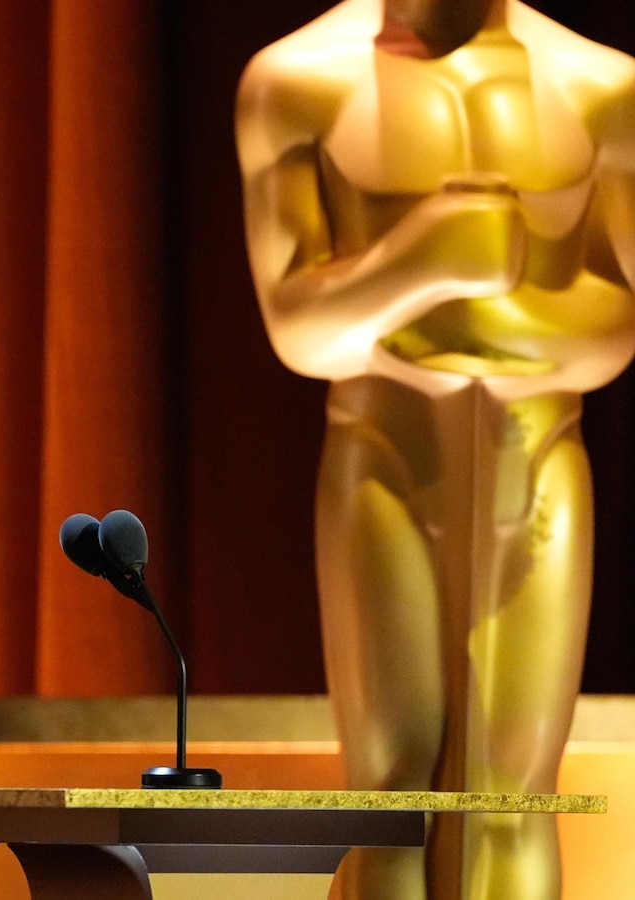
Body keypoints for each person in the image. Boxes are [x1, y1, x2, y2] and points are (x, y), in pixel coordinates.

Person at [236, 2, 635, 898]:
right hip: (385, 454)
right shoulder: (299, 81)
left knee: (514, 792)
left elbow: (616, 325)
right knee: (392, 790)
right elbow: (299, 329)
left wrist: (465, 312)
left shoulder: (601, 87)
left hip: (538, 457)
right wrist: (423, 259)